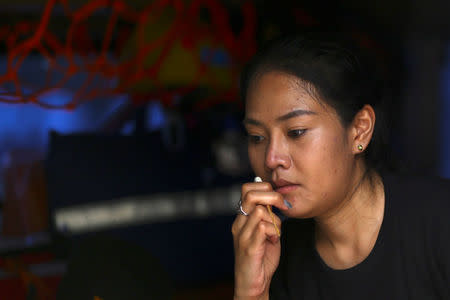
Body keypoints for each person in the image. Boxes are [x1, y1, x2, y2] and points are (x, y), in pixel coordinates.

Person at [231, 32, 450, 300]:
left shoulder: (439, 222)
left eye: (296, 132)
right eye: (257, 138)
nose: (271, 158)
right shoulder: (277, 257)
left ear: (359, 130)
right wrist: (251, 292)